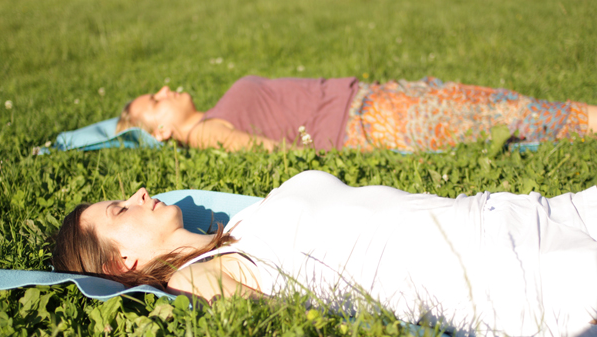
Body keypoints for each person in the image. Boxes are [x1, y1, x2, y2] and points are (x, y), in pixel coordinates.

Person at [51, 170, 596, 337]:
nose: (138, 194)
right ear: (121, 265)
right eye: (119, 210)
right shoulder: (199, 277)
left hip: (529, 211)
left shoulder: (241, 220)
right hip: (516, 275)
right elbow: (326, 331)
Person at [115, 76, 597, 152]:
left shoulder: (215, 111)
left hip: (374, 98)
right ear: (160, 131)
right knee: (504, 115)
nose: (162, 89)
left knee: (502, 107)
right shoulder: (206, 132)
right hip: (367, 122)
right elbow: (272, 154)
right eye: (153, 102)